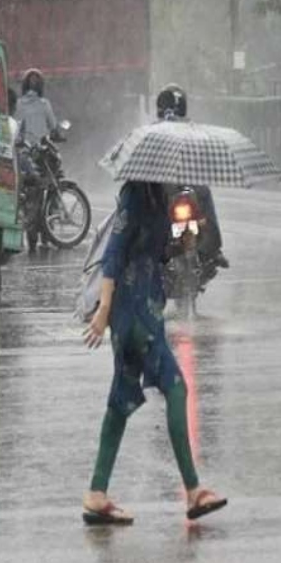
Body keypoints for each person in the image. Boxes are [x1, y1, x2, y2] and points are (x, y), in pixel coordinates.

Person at [81, 179, 227, 525]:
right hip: (133, 311)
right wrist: (103, 310)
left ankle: (96, 494)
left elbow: (153, 252)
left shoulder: (161, 197)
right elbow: (114, 253)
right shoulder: (135, 194)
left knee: (120, 400)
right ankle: (193, 489)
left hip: (148, 308)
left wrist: (183, 244)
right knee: (176, 387)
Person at [155, 84, 229, 270]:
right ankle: (213, 249)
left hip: (172, 189)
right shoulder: (193, 130)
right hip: (182, 187)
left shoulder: (153, 132)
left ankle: (212, 248)